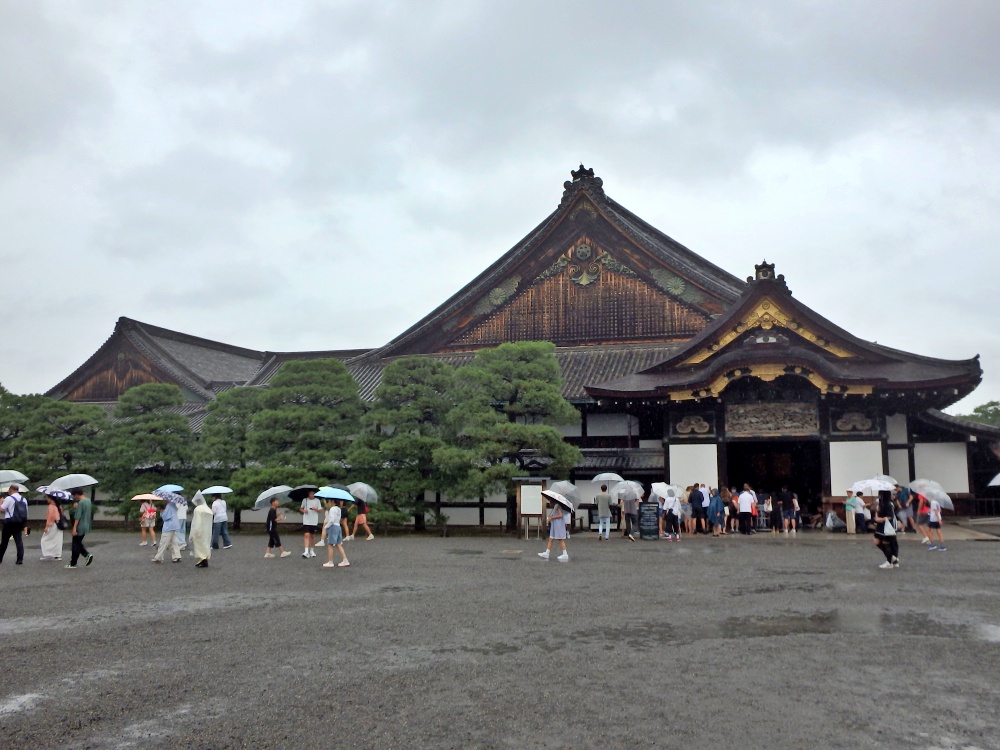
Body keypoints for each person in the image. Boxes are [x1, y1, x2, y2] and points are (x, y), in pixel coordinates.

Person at [0, 483, 28, 565]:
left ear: (11, 490)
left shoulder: (9, 498)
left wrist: (1, 501)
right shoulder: (23, 499)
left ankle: (0, 558)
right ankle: (20, 559)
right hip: (19, 521)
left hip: (9, 521)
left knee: (4, 541)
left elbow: (1, 509)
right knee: (18, 540)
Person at [66, 488, 93, 569]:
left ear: (77, 494)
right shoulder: (88, 501)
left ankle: (73, 563)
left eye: (74, 495)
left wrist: (74, 528)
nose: (74, 497)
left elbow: (77, 516)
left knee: (75, 544)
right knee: (77, 543)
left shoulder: (81, 502)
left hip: (80, 525)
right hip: (86, 524)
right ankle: (86, 555)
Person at [873, 490, 900, 569]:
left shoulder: (888, 504)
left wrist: (880, 519)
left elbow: (890, 516)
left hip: (886, 526)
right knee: (877, 541)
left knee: (886, 543)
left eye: (880, 494)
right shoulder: (882, 503)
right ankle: (893, 559)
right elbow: (879, 512)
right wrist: (877, 511)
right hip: (881, 526)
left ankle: (889, 561)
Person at [538, 496, 569, 561]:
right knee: (551, 538)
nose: (549, 503)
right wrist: (551, 517)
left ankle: (565, 554)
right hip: (555, 525)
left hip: (558, 525)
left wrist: (552, 518)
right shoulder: (556, 506)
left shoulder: (557, 505)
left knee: (560, 539)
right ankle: (547, 553)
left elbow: (560, 515)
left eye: (550, 502)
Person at [152, 496, 183, 563]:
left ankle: (159, 557)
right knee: (174, 542)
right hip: (174, 525)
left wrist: (161, 511)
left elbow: (166, 517)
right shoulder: (173, 504)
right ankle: (177, 556)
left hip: (169, 526)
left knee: (163, 542)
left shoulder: (169, 506)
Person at [322, 500, 350, 568]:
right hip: (338, 526)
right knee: (338, 544)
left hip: (333, 527)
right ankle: (345, 560)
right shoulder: (338, 509)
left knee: (330, 544)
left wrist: (326, 526)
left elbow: (331, 520)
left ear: (333, 501)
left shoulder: (332, 509)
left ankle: (330, 562)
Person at [190, 492, 212, 568]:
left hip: (200, 530)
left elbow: (197, 521)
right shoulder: (207, 509)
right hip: (207, 530)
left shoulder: (198, 509)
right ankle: (205, 559)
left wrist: (195, 531)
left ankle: (202, 560)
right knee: (205, 544)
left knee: (199, 546)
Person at [40, 494, 64, 560]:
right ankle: (57, 554)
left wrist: (47, 526)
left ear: (51, 499)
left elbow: (50, 517)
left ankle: (48, 554)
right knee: (57, 540)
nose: (47, 500)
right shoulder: (58, 506)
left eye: (48, 498)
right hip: (58, 524)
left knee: (45, 540)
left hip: (52, 524)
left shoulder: (51, 506)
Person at [300, 489, 322, 557]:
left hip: (314, 520)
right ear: (308, 494)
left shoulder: (317, 500)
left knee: (313, 536)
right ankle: (306, 551)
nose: (311, 495)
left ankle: (312, 550)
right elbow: (301, 508)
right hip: (306, 520)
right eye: (310, 494)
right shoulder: (305, 500)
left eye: (313, 494)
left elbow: (320, 510)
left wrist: (315, 509)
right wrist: (304, 510)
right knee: (306, 535)